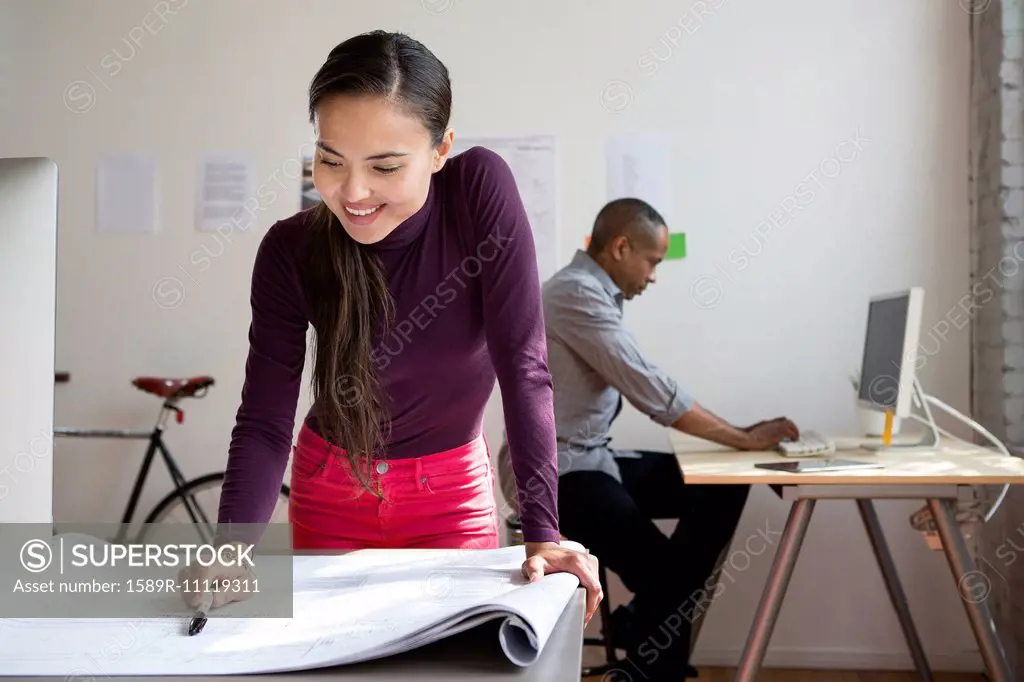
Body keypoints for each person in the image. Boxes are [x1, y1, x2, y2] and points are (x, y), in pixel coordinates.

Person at [182, 30, 602, 624]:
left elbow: (523, 364)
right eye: (330, 160)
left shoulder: (478, 191)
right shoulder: (290, 249)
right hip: (330, 493)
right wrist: (233, 549)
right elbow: (265, 421)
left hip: (450, 499)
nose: (352, 192)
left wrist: (544, 532)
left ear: (440, 149)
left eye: (384, 166)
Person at [497, 198, 800, 680]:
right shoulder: (575, 295)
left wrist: (741, 447)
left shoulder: (591, 292)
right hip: (556, 473)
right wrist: (742, 438)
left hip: (594, 457)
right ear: (620, 247)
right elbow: (651, 389)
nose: (654, 275)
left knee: (722, 486)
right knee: (664, 576)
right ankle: (656, 657)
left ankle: (643, 622)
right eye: (652, 261)